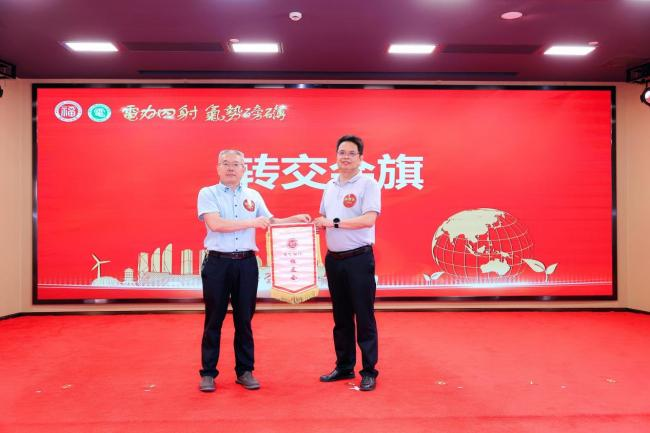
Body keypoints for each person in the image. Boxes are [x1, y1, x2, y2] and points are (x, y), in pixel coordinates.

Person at [197, 149, 311, 393]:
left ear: (244, 169)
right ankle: (208, 373)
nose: (230, 168)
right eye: (225, 163)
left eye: (236, 164)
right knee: (213, 319)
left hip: (246, 264)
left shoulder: (253, 195)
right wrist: (251, 222)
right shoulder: (208, 193)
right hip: (218, 263)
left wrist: (294, 219)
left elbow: (270, 221)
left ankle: (245, 371)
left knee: (244, 320)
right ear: (218, 167)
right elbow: (215, 224)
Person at [314, 135, 381, 392]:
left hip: (358, 259)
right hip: (334, 260)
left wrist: (333, 223)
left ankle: (369, 371)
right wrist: (316, 223)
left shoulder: (368, 184)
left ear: (360, 158)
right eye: (342, 152)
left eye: (352, 153)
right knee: (340, 317)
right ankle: (344, 366)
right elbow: (324, 216)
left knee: (364, 316)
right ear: (336, 155)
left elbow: (368, 219)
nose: (346, 157)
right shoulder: (329, 185)